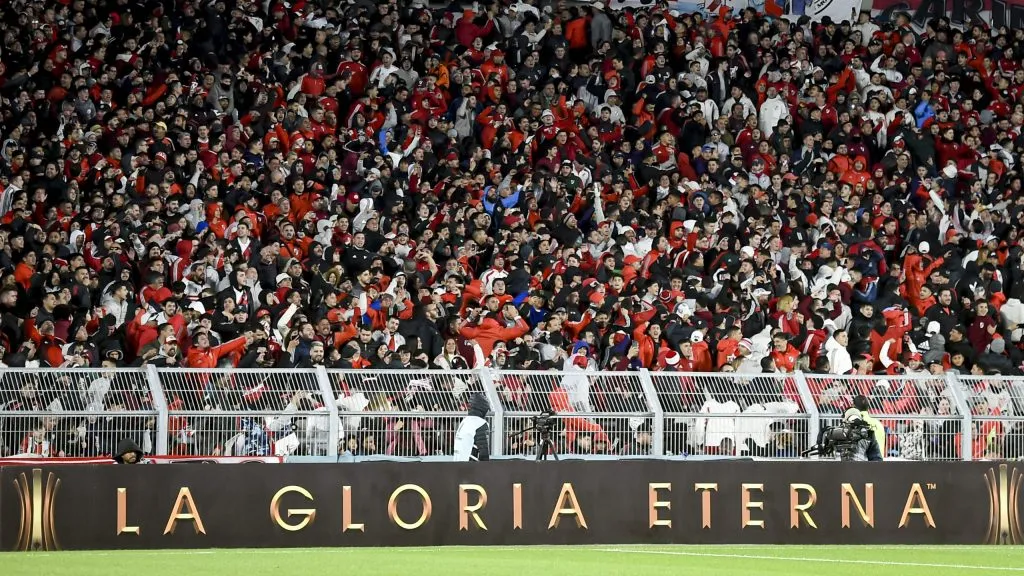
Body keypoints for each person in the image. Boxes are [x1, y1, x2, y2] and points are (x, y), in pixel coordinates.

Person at [453, 393, 491, 462]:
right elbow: (483, 452)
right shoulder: (480, 423)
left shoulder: (464, 421)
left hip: (457, 465)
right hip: (471, 468)